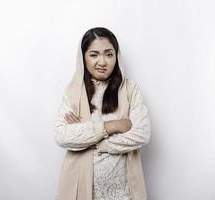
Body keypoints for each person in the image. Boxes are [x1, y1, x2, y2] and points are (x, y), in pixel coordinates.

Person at [54, 27, 151, 200]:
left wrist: (93, 141)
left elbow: (142, 134)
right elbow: (62, 136)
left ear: (116, 56)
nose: (102, 62)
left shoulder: (129, 89)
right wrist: (112, 126)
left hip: (123, 192)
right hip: (81, 190)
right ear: (83, 57)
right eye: (94, 55)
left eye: (108, 54)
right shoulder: (74, 92)